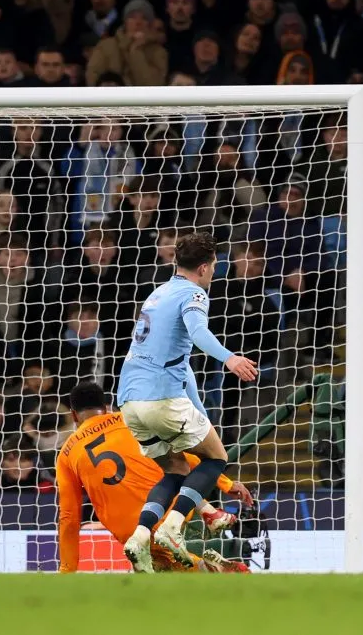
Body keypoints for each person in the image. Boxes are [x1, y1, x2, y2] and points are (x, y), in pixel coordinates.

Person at [117, 232, 258, 573]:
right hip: (160, 397)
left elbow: (182, 367)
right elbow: (198, 334)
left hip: (129, 402)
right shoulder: (194, 293)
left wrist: (200, 415)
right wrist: (229, 359)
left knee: (175, 469)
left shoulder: (157, 293)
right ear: (206, 267)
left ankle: (139, 535)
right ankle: (170, 527)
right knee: (216, 459)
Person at [56, 381, 251, 574]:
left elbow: (69, 517)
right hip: (172, 510)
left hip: (129, 529)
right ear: (106, 407)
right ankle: (210, 565)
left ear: (73, 415)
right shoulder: (131, 420)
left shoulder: (66, 454)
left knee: (158, 567)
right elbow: (184, 455)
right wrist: (226, 483)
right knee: (166, 563)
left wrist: (67, 569)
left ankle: (209, 569)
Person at [85, 0, 167, 86]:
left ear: (149, 24)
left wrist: (136, 51)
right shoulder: (106, 46)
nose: (138, 22)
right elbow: (92, 77)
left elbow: (155, 86)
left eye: (144, 18)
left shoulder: (158, 52)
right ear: (125, 22)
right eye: (132, 17)